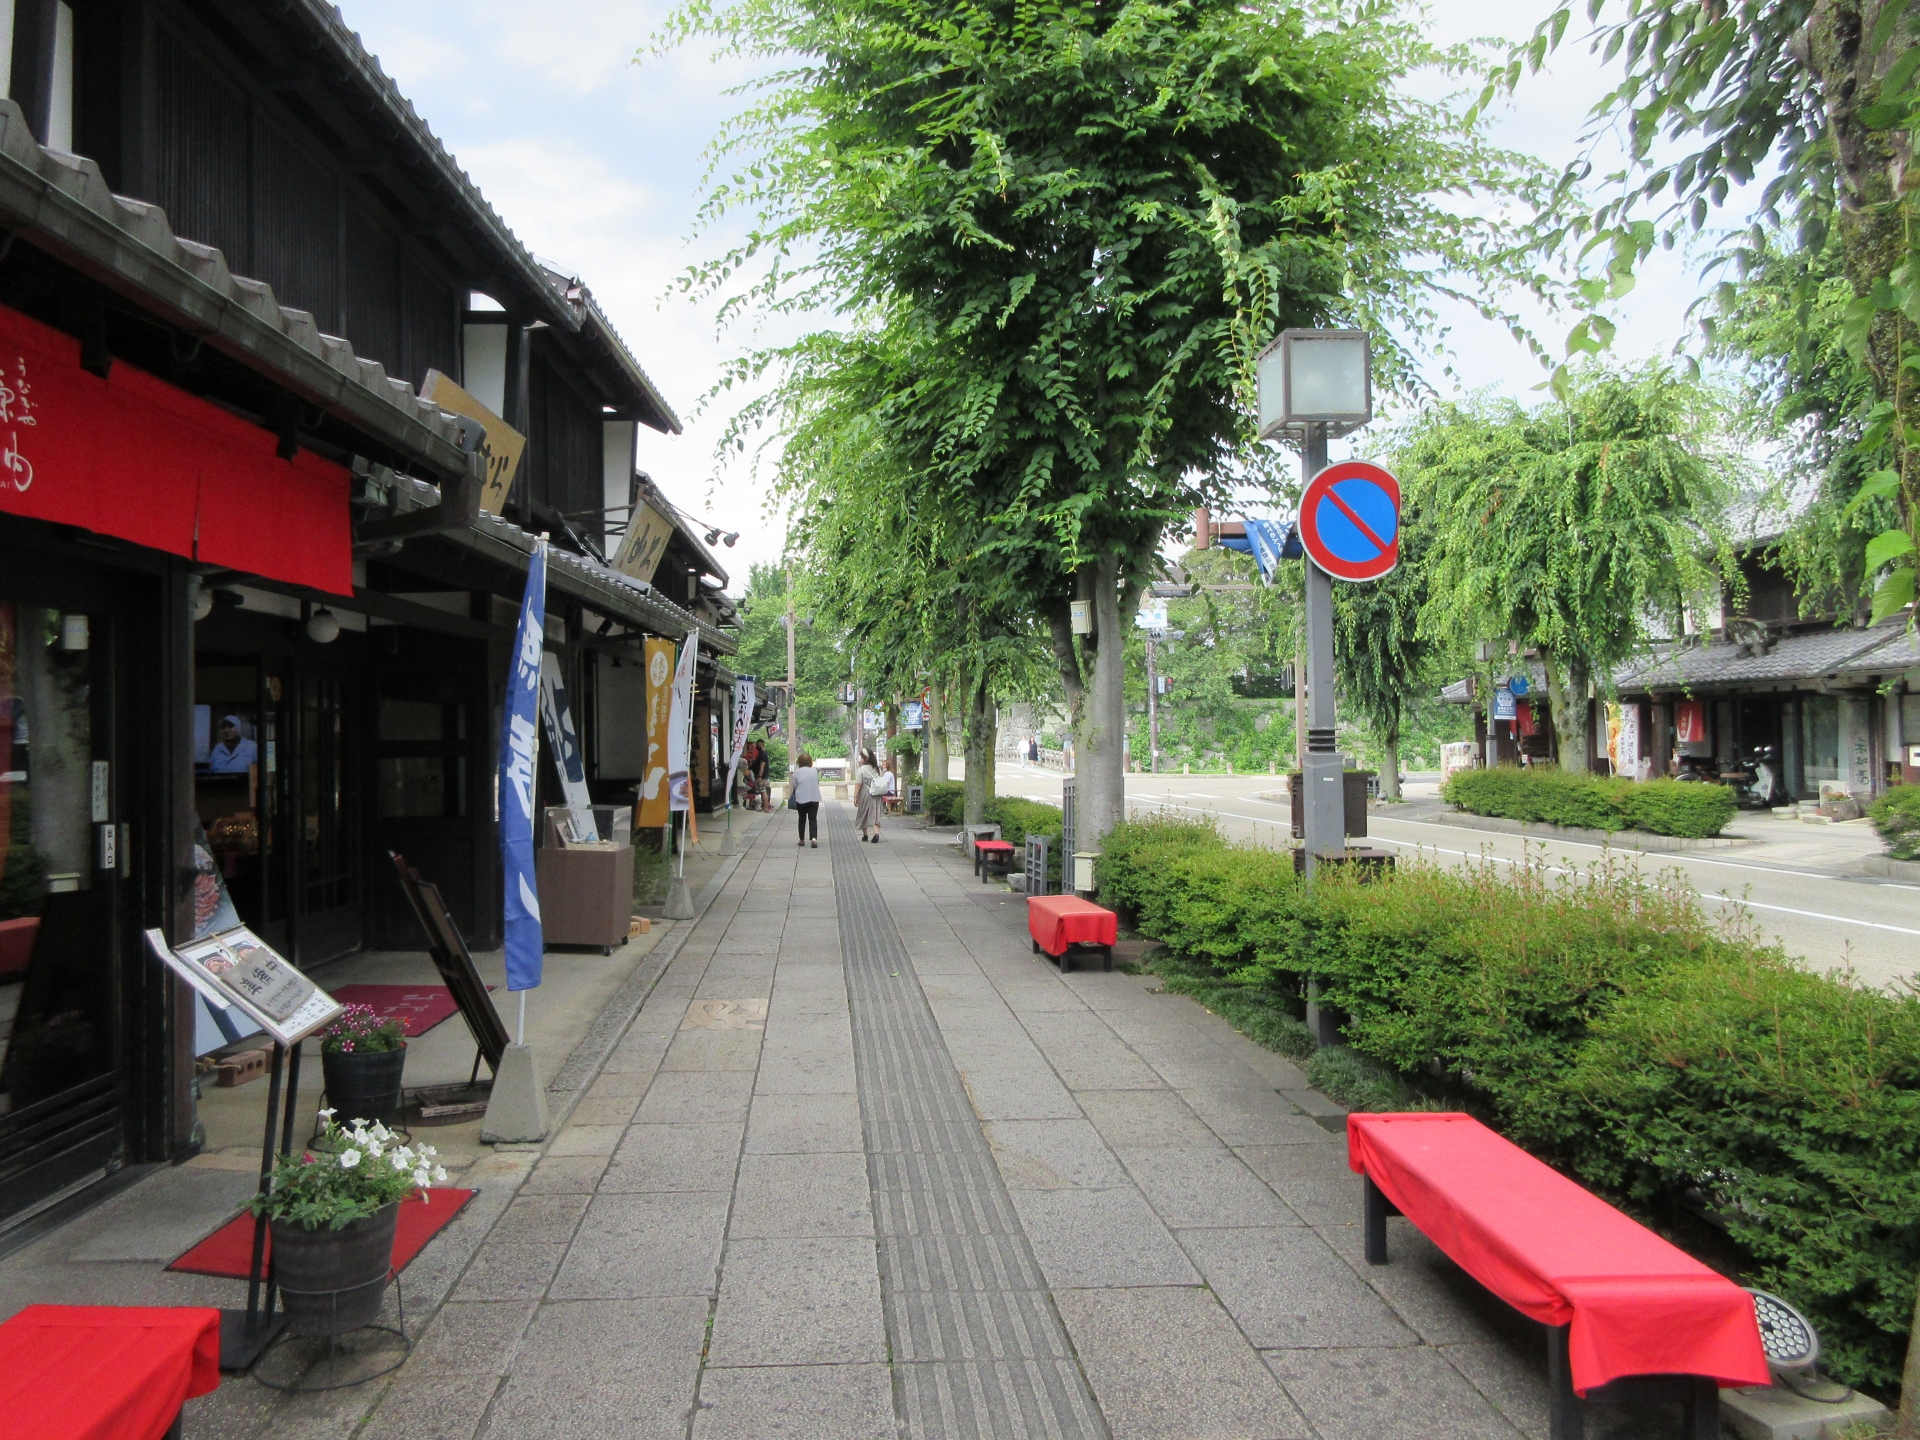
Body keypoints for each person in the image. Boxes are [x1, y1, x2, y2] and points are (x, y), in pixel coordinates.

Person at [789, 751, 821, 847]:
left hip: (801, 798)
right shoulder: (814, 771)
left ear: (799, 762)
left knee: (802, 819)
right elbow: (817, 782)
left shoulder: (796, 773)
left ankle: (801, 839)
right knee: (813, 818)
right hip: (814, 797)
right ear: (810, 762)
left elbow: (794, 785)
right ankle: (814, 839)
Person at [855, 747, 886, 842]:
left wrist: (855, 797)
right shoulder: (877, 769)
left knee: (863, 812)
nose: (860, 759)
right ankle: (876, 833)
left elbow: (858, 784)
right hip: (876, 794)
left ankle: (865, 835)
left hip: (865, 794)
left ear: (866, 758)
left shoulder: (861, 770)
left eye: (861, 757)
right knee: (875, 812)